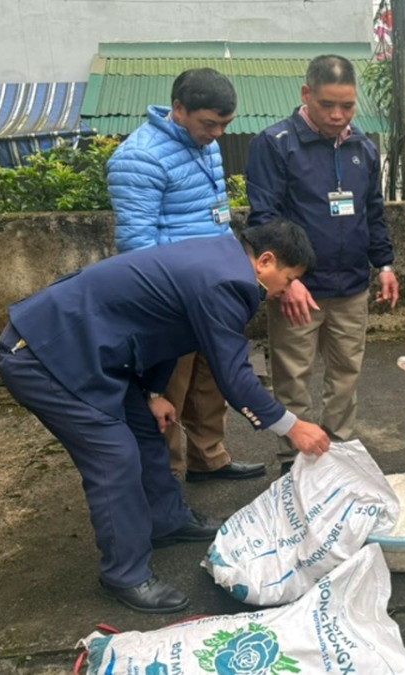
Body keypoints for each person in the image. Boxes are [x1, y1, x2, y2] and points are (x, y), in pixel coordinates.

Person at [0, 220, 332, 613]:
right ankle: (124, 575)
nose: (282, 292)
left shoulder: (219, 258)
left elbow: (169, 328)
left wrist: (154, 393)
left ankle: (165, 519)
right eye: (287, 279)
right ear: (266, 261)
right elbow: (234, 377)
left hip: (94, 349)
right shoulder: (227, 282)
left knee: (145, 430)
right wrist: (293, 427)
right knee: (113, 458)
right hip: (44, 353)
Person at [107, 67, 266, 483]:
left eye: (224, 125)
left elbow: (214, 218)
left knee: (209, 381)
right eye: (208, 123)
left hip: (210, 291)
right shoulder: (138, 158)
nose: (216, 133)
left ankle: (208, 457)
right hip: (172, 298)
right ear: (178, 109)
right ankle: (165, 479)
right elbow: (137, 247)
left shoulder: (206, 146)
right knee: (167, 390)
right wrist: (167, 303)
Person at [245, 55, 398, 474]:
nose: (337, 115)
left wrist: (384, 265)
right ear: (306, 94)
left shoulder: (362, 147)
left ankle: (339, 456)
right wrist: (286, 283)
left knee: (345, 376)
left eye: (347, 106)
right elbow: (264, 218)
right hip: (300, 290)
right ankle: (293, 461)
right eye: (327, 104)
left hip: (351, 287)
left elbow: (373, 210)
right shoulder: (276, 144)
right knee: (292, 378)